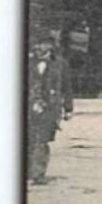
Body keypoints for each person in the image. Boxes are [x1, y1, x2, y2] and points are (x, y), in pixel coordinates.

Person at [27, 34, 71, 186]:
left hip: (50, 107)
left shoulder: (60, 64)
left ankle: (38, 173)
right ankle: (28, 171)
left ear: (51, 46)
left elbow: (67, 87)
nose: (40, 47)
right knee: (29, 138)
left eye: (44, 44)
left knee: (42, 139)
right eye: (38, 44)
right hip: (29, 106)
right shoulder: (29, 62)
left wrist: (68, 108)